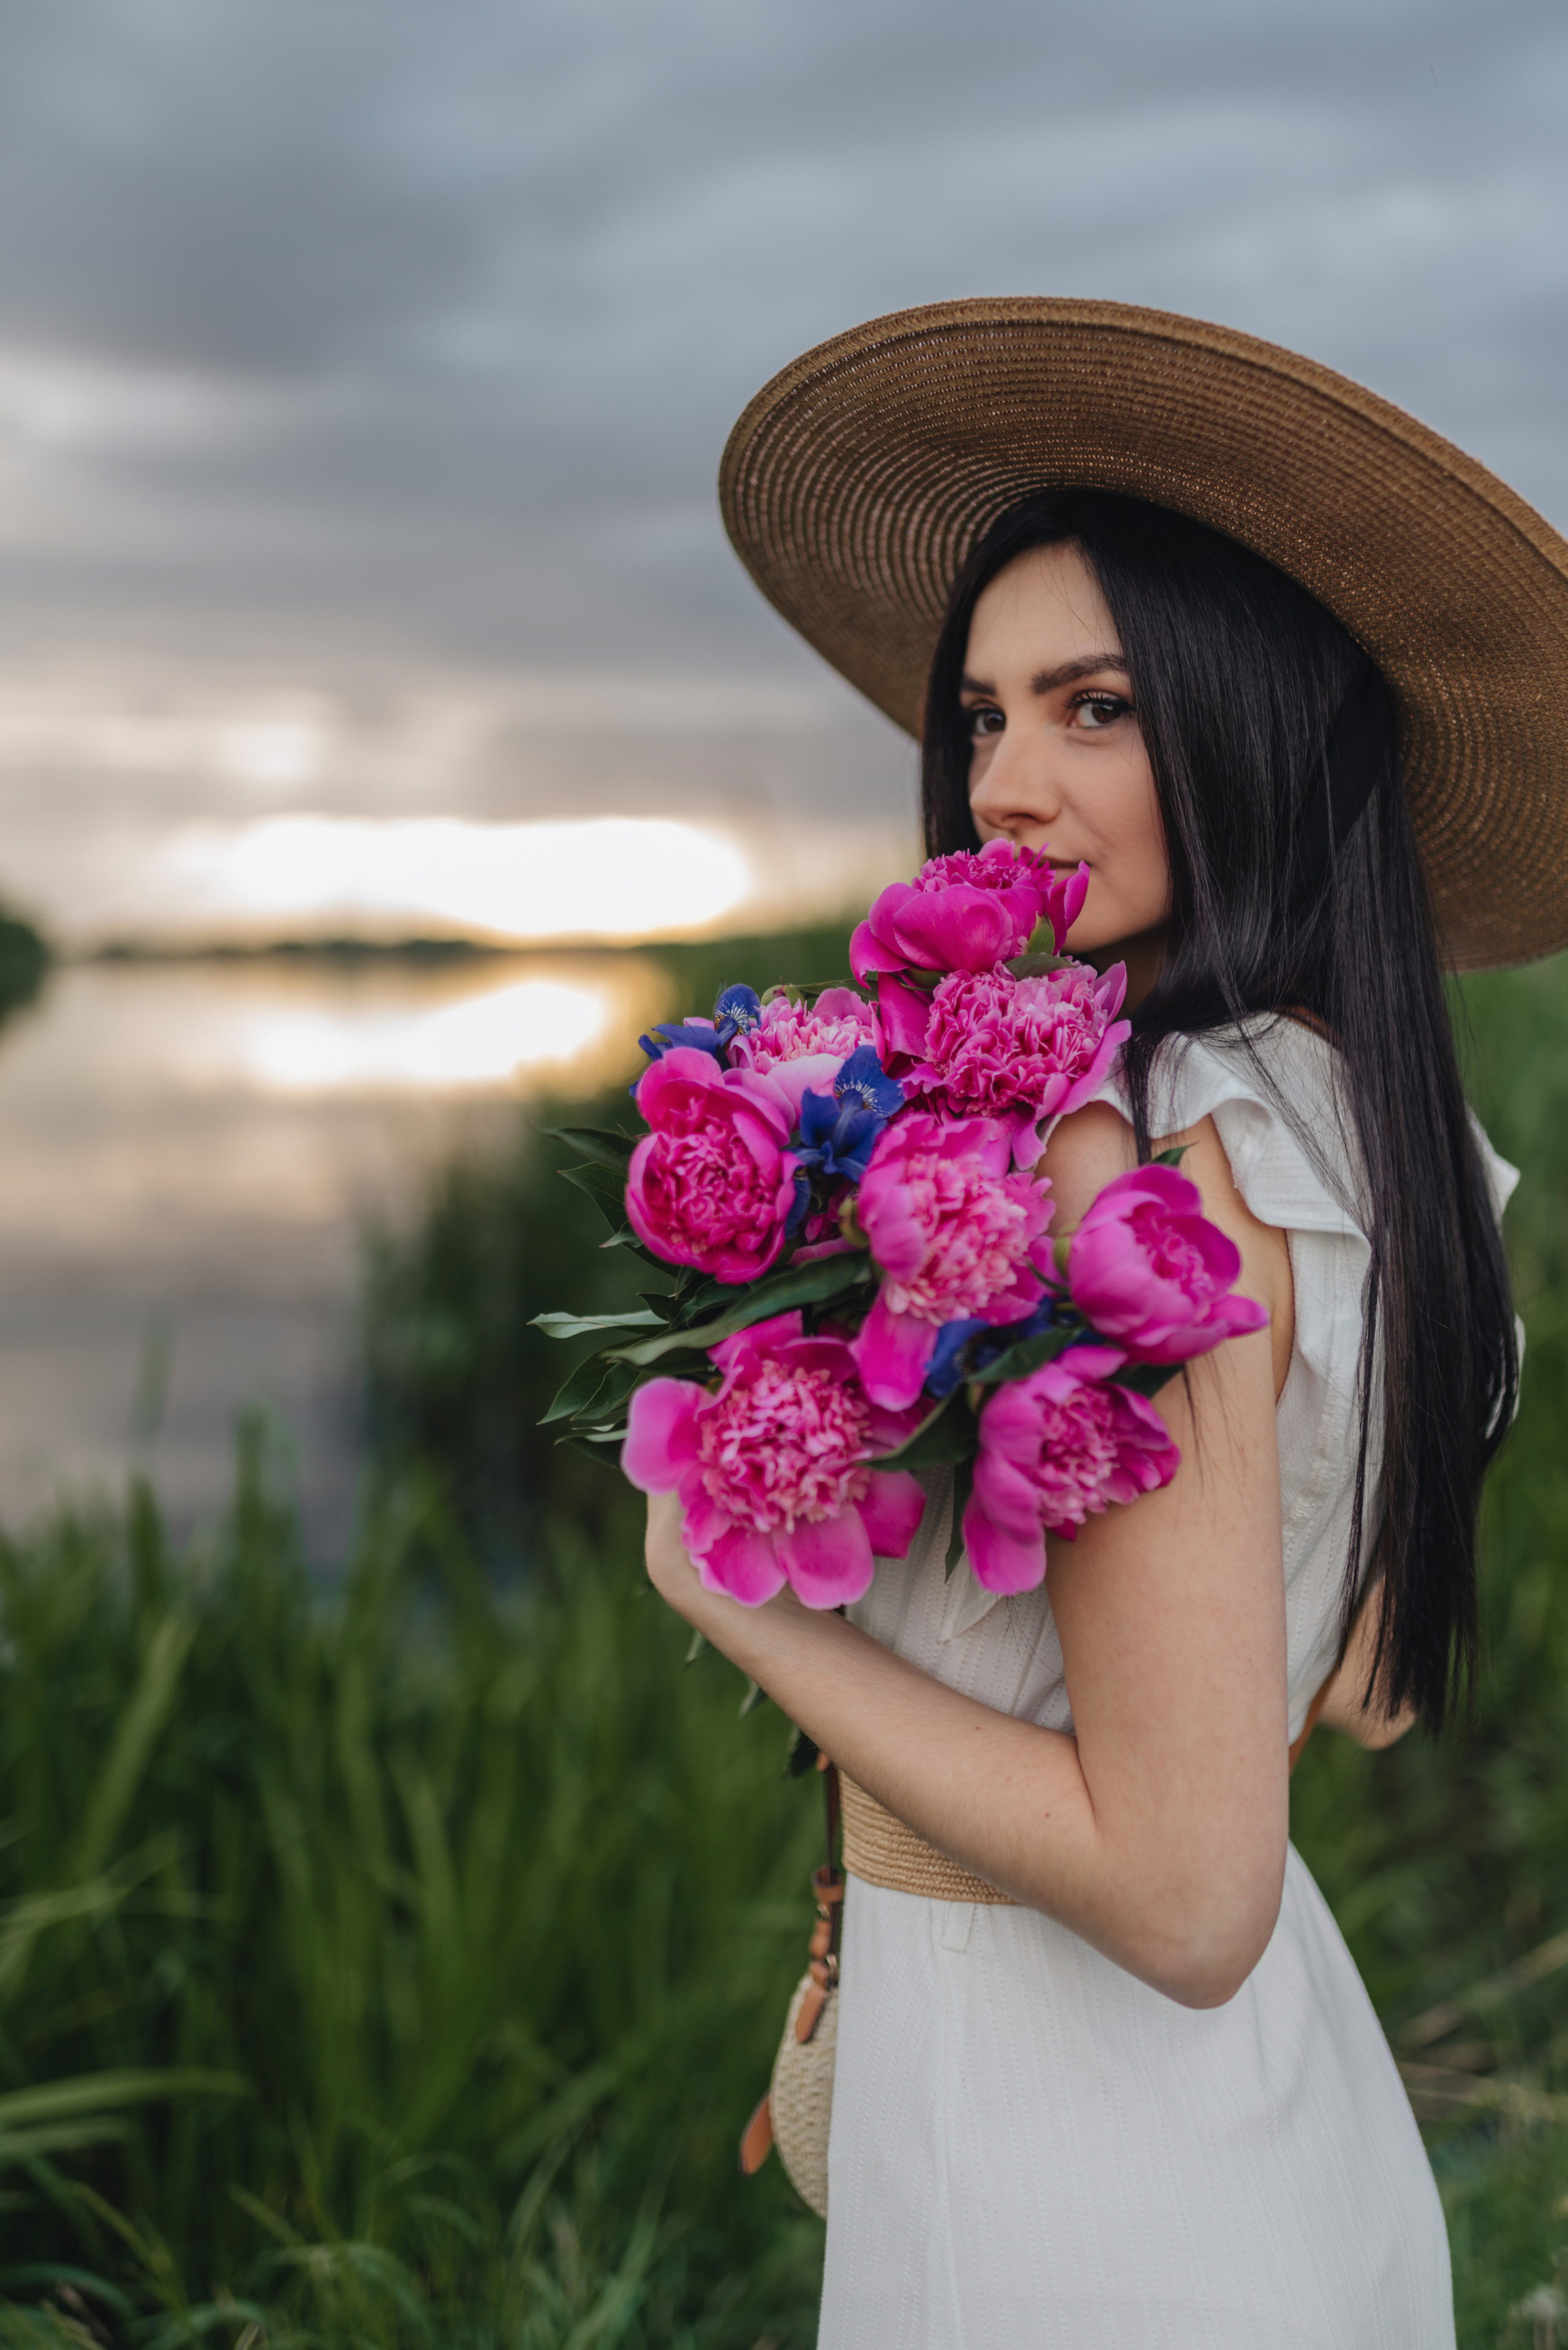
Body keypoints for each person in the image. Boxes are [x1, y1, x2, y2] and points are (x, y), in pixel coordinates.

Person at [643, 301, 1561, 2346]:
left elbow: (1183, 1896)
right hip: (1270, 2151)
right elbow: (1364, 1686)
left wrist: (735, 1587)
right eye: (981, 717)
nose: (1004, 788)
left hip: (1068, 2189)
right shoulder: (1368, 1125)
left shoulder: (1127, 1153)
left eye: (1097, 707)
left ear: (1258, 726)